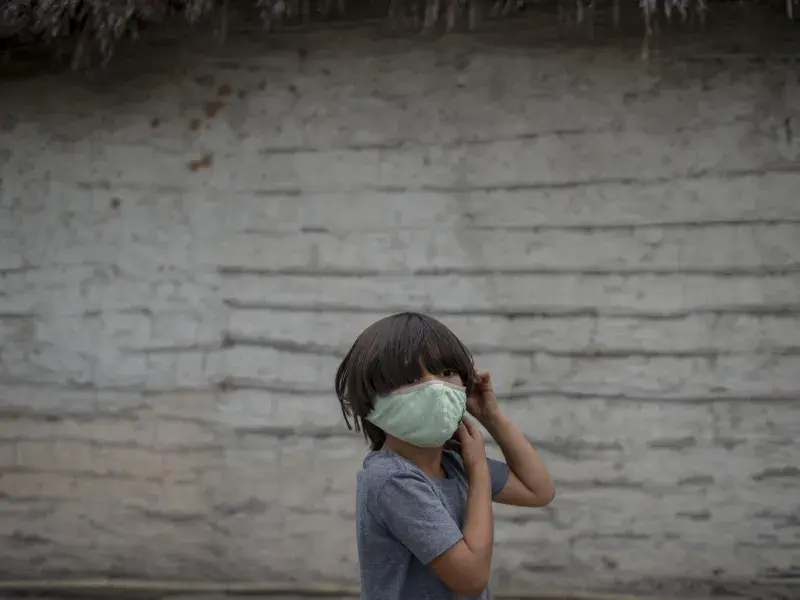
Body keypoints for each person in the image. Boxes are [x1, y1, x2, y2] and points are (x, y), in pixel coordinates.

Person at [335, 312, 555, 600]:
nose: (435, 387)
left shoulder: (452, 463)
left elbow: (539, 490)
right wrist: (477, 469)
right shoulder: (393, 479)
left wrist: (491, 416)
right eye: (412, 378)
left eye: (447, 372)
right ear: (370, 399)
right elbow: (471, 577)